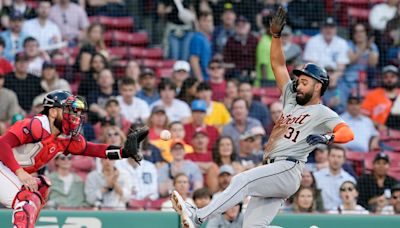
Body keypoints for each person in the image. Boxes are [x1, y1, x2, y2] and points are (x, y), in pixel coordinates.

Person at [170, 7, 354, 228]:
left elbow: (347, 132)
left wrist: (327, 139)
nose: (299, 83)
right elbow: (277, 64)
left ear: (319, 86)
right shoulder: (291, 99)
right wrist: (275, 37)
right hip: (272, 170)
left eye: (305, 81)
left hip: (288, 168)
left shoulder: (322, 112)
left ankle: (198, 216)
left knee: (241, 179)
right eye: (300, 80)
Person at [0, 90, 149, 227]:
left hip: (7, 171)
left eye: (76, 111)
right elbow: (2, 144)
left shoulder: (64, 138)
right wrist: (20, 172)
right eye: (68, 110)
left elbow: (93, 149)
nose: (74, 115)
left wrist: (124, 152)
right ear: (53, 112)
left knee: (42, 185)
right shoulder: (36, 125)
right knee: (27, 199)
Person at [314, 145, 356, 211]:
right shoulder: (316, 176)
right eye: (333, 156)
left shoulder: (350, 180)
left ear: (344, 160)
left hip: (342, 215)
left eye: (339, 157)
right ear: (328, 157)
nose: (336, 159)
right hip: (321, 215)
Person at [361, 65, 400, 131]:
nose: (389, 80)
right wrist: (377, 125)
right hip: (378, 133)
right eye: (386, 77)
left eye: (392, 77)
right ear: (382, 79)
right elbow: (363, 116)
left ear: (398, 78)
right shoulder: (373, 94)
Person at [223, 15, 258, 80]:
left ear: (249, 26)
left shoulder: (254, 40)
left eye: (243, 24)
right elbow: (226, 62)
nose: (241, 27)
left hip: (253, 73)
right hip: (235, 74)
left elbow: (257, 59)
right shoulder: (230, 41)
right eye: (238, 25)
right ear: (235, 27)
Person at [189, 12, 213, 81]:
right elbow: (194, 59)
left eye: (210, 21)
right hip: (202, 78)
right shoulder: (197, 38)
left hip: (209, 77)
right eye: (205, 21)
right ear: (199, 22)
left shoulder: (209, 38)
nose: (208, 24)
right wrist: (200, 79)